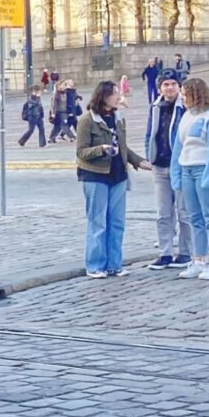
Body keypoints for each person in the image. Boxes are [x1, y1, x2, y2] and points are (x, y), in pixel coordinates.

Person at [75, 80, 150, 278]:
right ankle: (94, 265)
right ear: (104, 96)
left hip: (118, 176)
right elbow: (81, 152)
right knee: (98, 222)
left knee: (116, 222)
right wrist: (101, 149)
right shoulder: (87, 120)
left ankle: (114, 264)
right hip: (95, 176)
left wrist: (138, 161)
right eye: (115, 94)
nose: (119, 97)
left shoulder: (118, 117)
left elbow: (123, 146)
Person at [172, 76, 209, 280]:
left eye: (186, 95)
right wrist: (176, 173)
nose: (183, 98)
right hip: (187, 169)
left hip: (204, 169)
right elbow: (179, 145)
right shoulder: (187, 116)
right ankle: (198, 259)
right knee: (194, 218)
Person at [142, 73, 190, 269]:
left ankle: (186, 252)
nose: (169, 88)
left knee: (183, 211)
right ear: (160, 87)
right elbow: (149, 133)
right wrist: (149, 156)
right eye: (165, 85)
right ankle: (165, 253)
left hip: (180, 165)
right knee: (163, 212)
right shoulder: (155, 107)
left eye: (172, 84)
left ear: (179, 86)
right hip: (160, 165)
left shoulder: (185, 106)